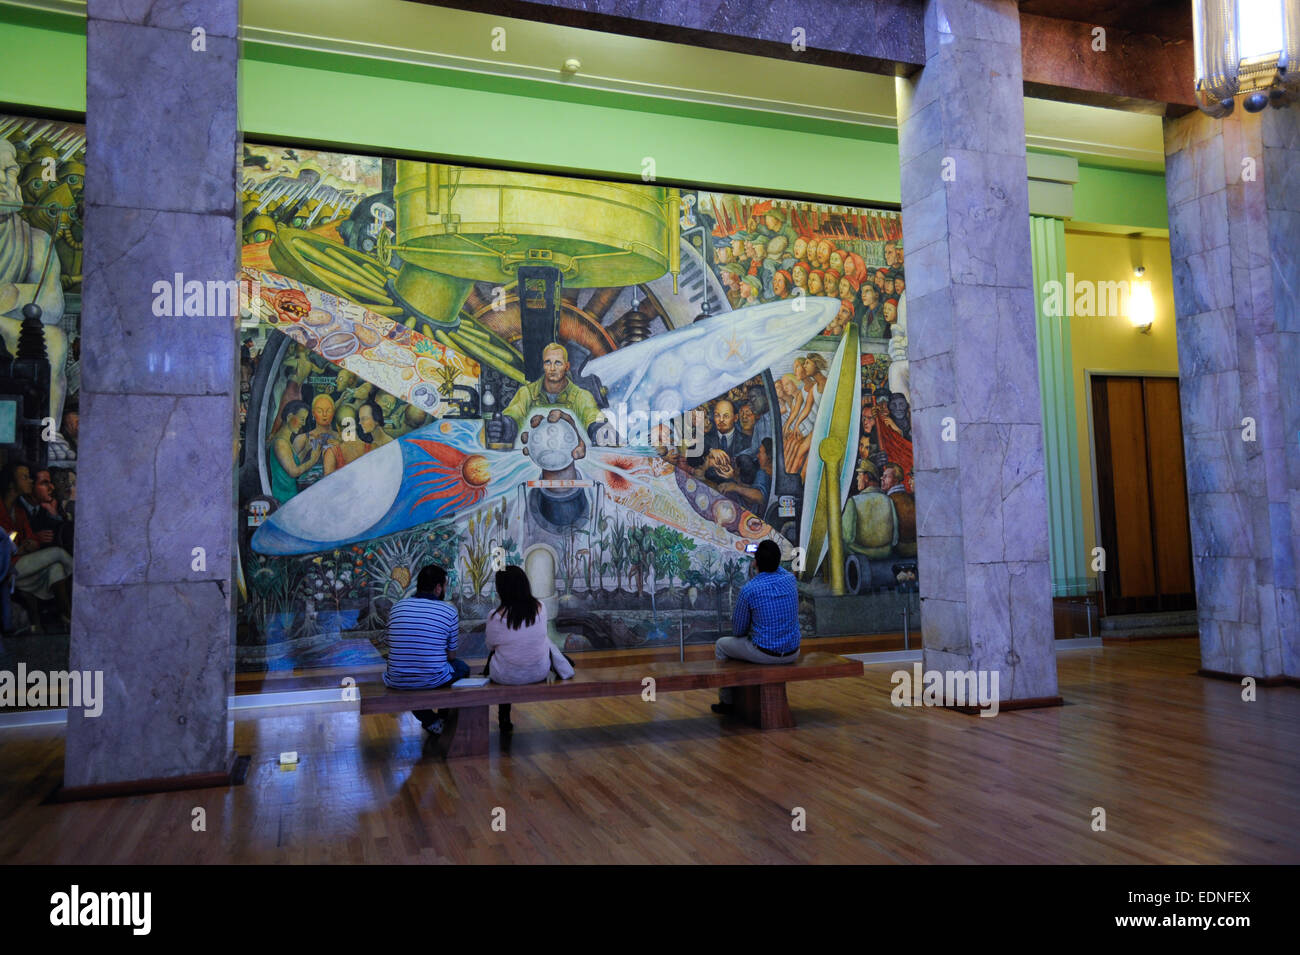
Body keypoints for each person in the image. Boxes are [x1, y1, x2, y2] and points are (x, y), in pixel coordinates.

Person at [712, 539, 801, 714]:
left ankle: (727, 701)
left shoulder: (749, 589)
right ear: (779, 560)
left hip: (765, 653)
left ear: (755, 562)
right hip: (792, 651)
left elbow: (738, 631)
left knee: (722, 645)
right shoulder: (790, 580)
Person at [483, 565, 575, 731]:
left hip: (505, 676)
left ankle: (504, 717)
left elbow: (490, 645)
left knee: (499, 656)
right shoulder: (540, 607)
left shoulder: (495, 616)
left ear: (501, 589)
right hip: (538, 672)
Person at [383, 564, 470, 735]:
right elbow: (452, 656)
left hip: (396, 679)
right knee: (462, 668)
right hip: (432, 678)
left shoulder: (397, 607)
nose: (445, 589)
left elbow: (391, 644)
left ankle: (430, 720)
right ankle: (442, 718)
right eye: (445, 585)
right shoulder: (448, 611)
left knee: (413, 681)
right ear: (438, 588)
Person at [496, 342, 603, 446]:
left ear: (567, 366)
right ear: (543, 365)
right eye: (548, 362)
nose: (552, 368)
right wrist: (507, 425)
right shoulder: (526, 393)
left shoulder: (582, 396)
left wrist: (598, 429)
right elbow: (515, 412)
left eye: (558, 363)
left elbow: (591, 414)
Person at [268, 399, 321, 504]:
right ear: (289, 417)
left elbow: (292, 462)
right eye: (302, 419)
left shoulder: (285, 439)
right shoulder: (281, 443)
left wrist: (306, 450)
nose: (304, 423)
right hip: (284, 498)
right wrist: (313, 460)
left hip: (290, 494)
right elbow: (293, 471)